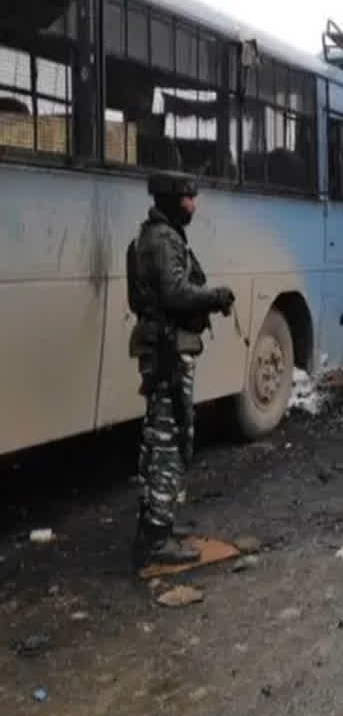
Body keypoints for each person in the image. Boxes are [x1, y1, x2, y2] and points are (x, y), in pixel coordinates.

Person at [127, 171, 235, 568]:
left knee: (162, 439)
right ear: (173, 200)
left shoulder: (159, 236)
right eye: (189, 198)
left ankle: (157, 525)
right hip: (169, 353)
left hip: (167, 349)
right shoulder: (162, 240)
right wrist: (213, 297)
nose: (194, 204)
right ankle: (155, 540)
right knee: (168, 444)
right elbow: (174, 293)